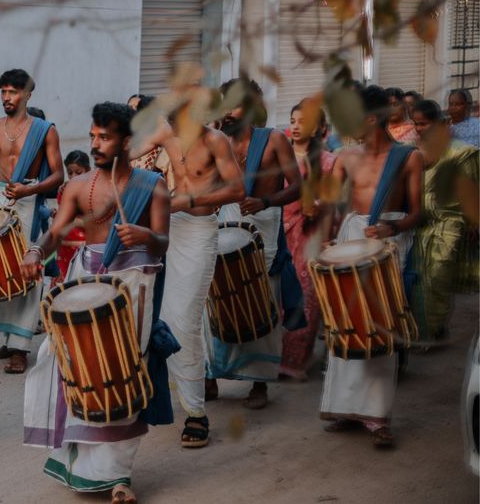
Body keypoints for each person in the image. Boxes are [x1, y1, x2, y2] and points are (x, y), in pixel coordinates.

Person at [20, 102, 172, 504]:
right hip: (86, 281)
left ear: (127, 141)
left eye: (104, 137)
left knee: (122, 369)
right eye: (93, 136)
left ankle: (118, 476)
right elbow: (55, 234)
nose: (96, 144)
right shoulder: (77, 186)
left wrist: (145, 235)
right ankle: (82, 463)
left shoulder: (152, 186)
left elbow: (163, 241)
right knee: (72, 363)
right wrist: (36, 252)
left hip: (134, 284)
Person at [321, 83, 423, 448]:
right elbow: (332, 208)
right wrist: (328, 239)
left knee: (380, 327)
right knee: (346, 322)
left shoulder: (408, 157)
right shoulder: (345, 157)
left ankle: (378, 417)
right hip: (349, 241)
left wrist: (390, 227)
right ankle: (345, 409)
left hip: (386, 245)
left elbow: (416, 213)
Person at [149, 90, 244, 447]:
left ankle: (196, 414)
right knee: (159, 315)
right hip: (166, 231)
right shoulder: (164, 132)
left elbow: (237, 188)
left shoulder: (216, 140)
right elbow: (124, 157)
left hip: (200, 231)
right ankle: (182, 390)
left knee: (184, 321)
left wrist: (192, 200)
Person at [0, 69, 64, 374]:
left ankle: (21, 347)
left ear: (28, 95)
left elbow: (59, 175)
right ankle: (8, 340)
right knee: (1, 269)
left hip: (29, 200)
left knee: (28, 272)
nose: (7, 97)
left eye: (13, 92)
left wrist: (30, 188)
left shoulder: (45, 130)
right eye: (3, 92)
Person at [204, 79, 301, 409]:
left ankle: (260, 383)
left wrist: (266, 200)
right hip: (223, 225)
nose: (227, 111)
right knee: (216, 295)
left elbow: (299, 187)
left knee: (263, 297)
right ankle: (210, 375)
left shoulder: (273, 140)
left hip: (263, 227)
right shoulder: (216, 142)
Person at [410, 99, 479, 342]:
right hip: (419, 223)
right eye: (416, 124)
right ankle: (426, 329)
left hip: (450, 223)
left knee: (438, 276)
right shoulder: (412, 152)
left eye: (424, 123)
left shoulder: (462, 152)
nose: (419, 128)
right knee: (418, 279)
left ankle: (432, 330)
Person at [280, 100, 337, 381]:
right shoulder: (281, 157)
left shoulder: (328, 161)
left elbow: (333, 202)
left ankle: (296, 360)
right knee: (278, 297)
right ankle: (274, 359)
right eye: (292, 120)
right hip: (280, 234)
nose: (295, 126)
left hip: (311, 237)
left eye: (302, 121)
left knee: (306, 298)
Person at [53, 150, 90, 285]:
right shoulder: (64, 190)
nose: (74, 177)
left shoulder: (93, 191)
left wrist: (66, 218)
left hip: (83, 250)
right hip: (64, 250)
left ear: (88, 170)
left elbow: (94, 223)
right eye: (70, 173)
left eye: (78, 173)